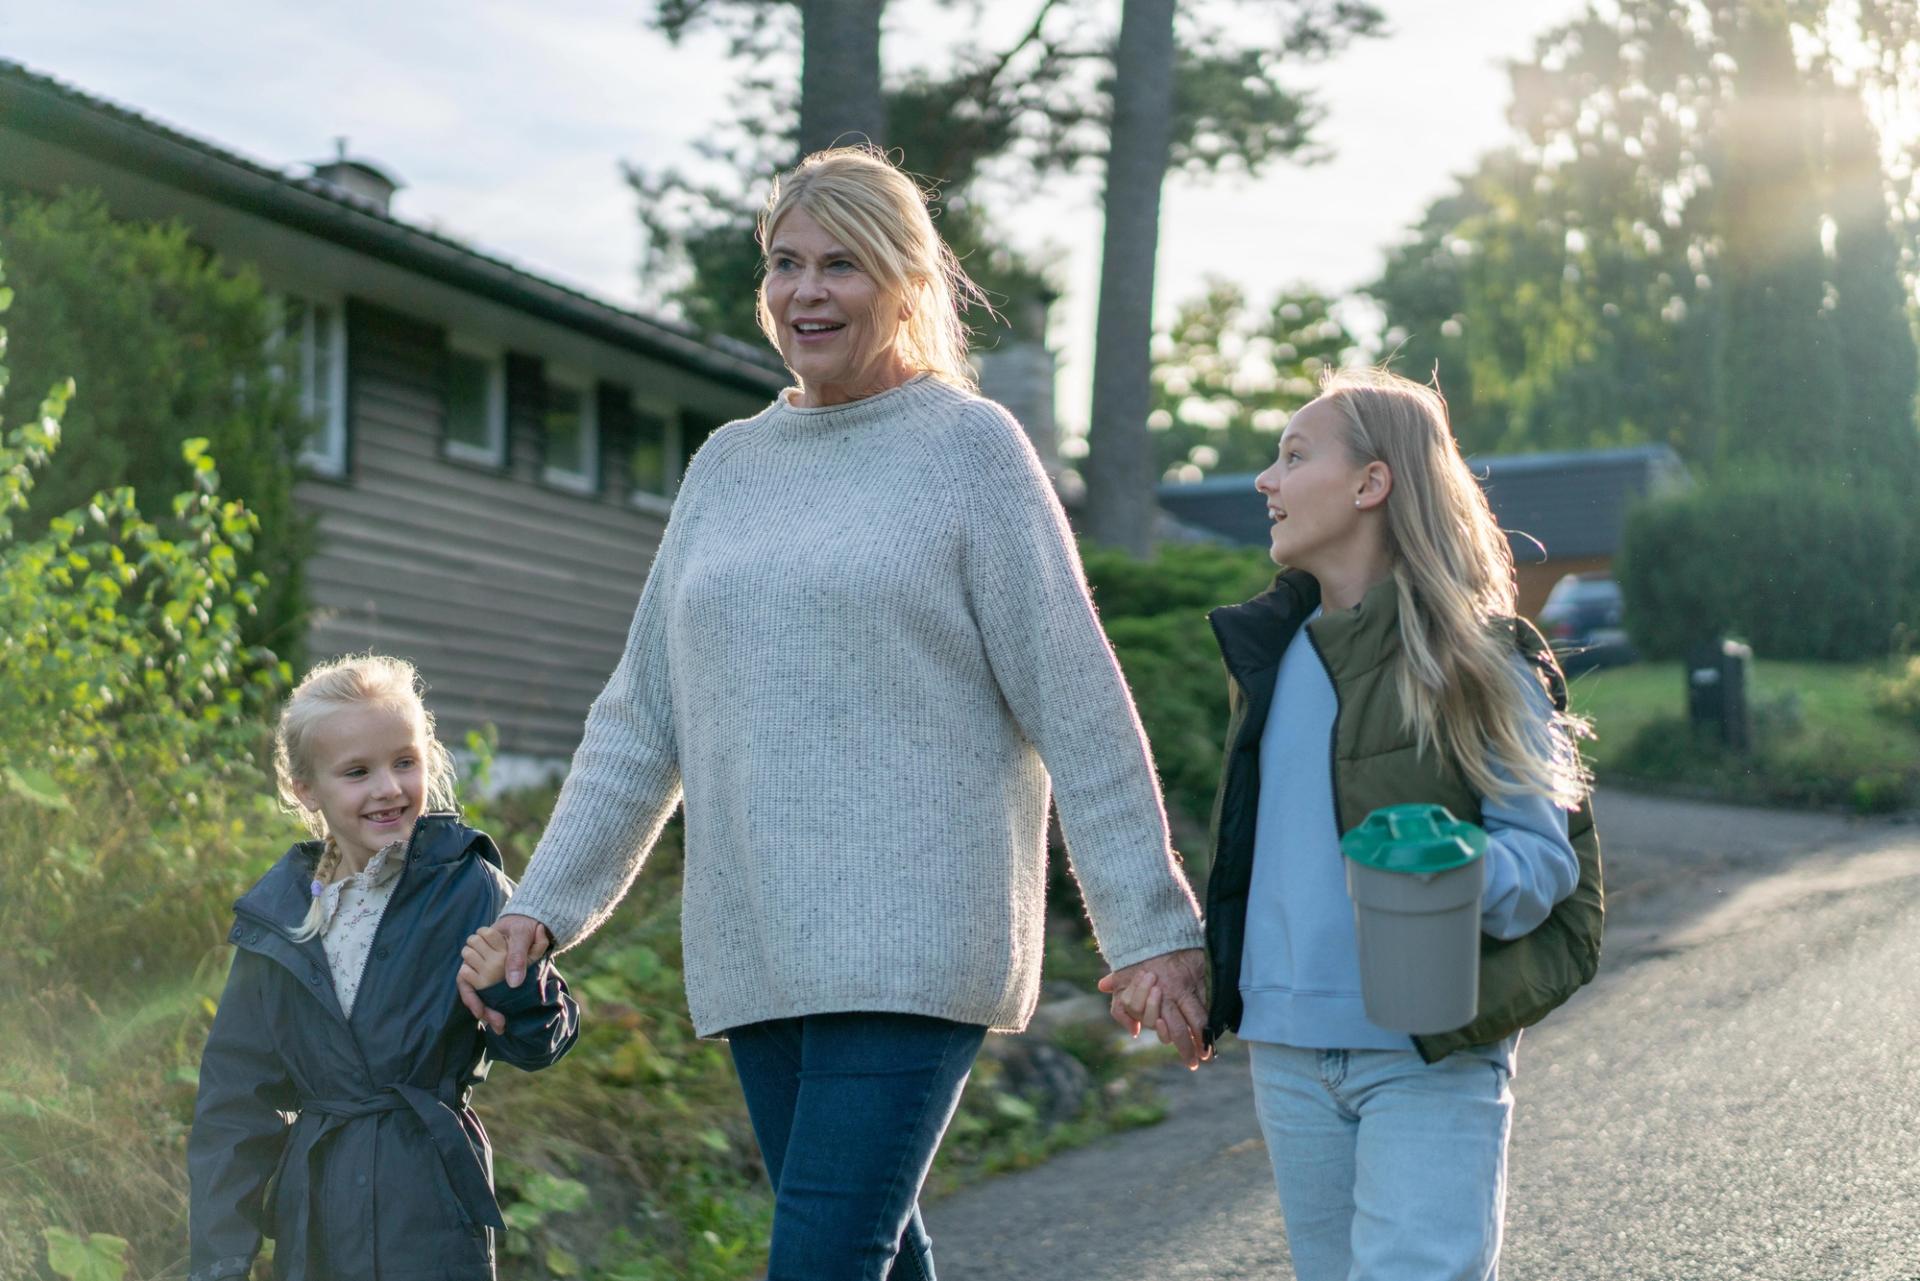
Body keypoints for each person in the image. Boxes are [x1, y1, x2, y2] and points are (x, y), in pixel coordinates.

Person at [457, 145, 1207, 1281]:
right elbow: (640, 720)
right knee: (874, 1252)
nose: (805, 292)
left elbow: (1077, 696)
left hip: (916, 936)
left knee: (820, 1260)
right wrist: (542, 909)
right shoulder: (727, 466)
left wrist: (1151, 927)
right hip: (760, 941)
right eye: (784, 263)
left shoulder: (970, 450)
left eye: (841, 265)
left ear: (907, 283)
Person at [1119, 367, 1603, 1281]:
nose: (1266, 480)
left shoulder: (1478, 660)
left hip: (1430, 1050)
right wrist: (1190, 964)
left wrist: (1450, 870)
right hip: (1289, 1050)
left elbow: (1544, 858)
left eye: (1294, 456)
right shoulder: (1270, 655)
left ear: (1370, 484)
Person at [187, 655, 579, 1281]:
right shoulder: (279, 917)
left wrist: (512, 990)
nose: (389, 788)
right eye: (357, 772)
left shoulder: (471, 889)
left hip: (430, 1205)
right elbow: (234, 1102)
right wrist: (222, 1256)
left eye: (404, 762)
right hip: (315, 1216)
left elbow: (545, 1042)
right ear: (305, 789)